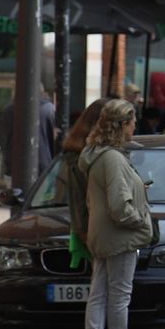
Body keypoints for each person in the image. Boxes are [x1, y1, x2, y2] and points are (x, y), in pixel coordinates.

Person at [78, 99, 155, 329]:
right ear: (122, 125)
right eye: (132, 122)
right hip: (121, 236)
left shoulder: (98, 154)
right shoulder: (113, 158)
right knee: (119, 296)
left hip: (102, 234)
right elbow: (119, 205)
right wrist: (141, 221)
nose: (135, 127)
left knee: (99, 294)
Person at [58, 99, 108, 267]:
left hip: (92, 231)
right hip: (93, 233)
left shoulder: (86, 155)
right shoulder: (81, 159)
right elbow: (79, 200)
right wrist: (85, 234)